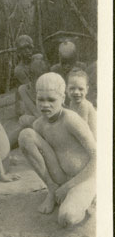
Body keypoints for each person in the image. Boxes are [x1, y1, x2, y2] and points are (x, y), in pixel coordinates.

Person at [18, 73, 96, 227]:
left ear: (62, 99)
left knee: (67, 217)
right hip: (59, 177)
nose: (45, 105)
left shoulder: (71, 120)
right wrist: (55, 186)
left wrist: (68, 187)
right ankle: (52, 190)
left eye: (51, 100)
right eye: (41, 99)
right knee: (25, 135)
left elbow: (98, 157)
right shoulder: (39, 124)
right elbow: (38, 153)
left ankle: (90, 195)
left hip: (83, 178)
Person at [18, 54, 49, 129]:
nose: (41, 81)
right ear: (30, 76)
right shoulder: (23, 89)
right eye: (37, 77)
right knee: (23, 120)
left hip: (47, 121)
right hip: (37, 120)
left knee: (23, 120)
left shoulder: (48, 88)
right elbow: (35, 112)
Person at [66, 69, 97, 139]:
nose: (76, 92)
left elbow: (82, 130)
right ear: (66, 89)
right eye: (72, 88)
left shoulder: (84, 105)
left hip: (90, 139)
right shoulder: (72, 103)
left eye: (80, 89)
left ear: (87, 90)